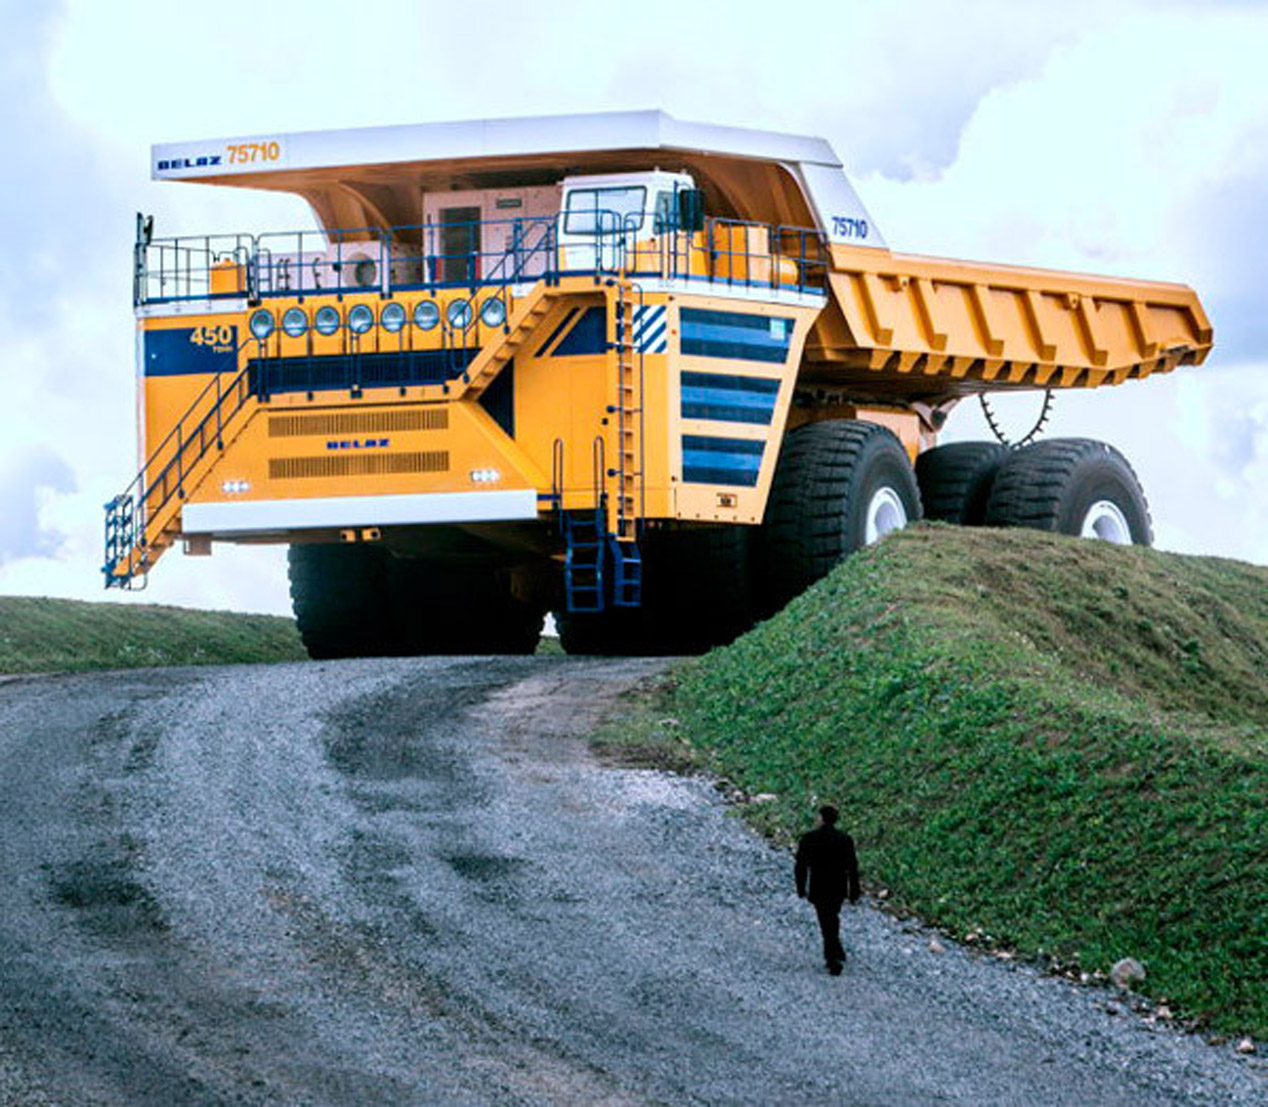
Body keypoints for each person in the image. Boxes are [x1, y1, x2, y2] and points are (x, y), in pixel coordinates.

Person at [795, 805, 861, 975]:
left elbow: (801, 865)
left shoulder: (809, 838)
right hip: (838, 886)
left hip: (819, 885)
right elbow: (852, 867)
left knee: (825, 919)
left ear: (821, 818)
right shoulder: (845, 839)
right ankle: (836, 950)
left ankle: (832, 957)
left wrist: (801, 887)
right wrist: (854, 890)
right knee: (832, 916)